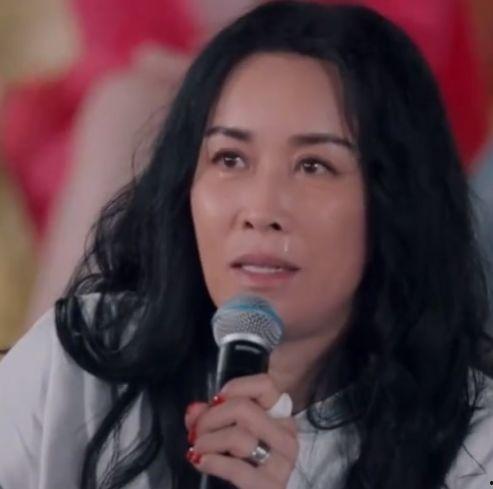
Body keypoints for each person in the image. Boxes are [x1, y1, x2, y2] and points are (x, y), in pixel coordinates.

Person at [0, 1, 492, 488]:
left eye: (314, 166)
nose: (261, 211)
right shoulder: (78, 364)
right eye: (230, 159)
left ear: (394, 201)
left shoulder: (477, 445)